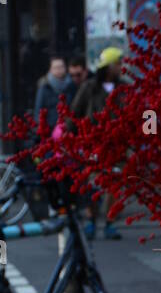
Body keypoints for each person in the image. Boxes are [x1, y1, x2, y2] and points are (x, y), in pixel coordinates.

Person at [71, 46, 124, 239]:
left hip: (117, 146)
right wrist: (69, 138)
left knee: (115, 185)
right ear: (108, 67)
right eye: (118, 63)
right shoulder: (89, 88)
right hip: (93, 144)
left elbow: (142, 113)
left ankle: (110, 222)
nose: (120, 67)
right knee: (92, 184)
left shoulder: (124, 88)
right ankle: (91, 219)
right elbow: (75, 113)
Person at [33, 54, 76, 132]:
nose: (59, 70)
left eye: (61, 67)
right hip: (50, 129)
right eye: (56, 67)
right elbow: (39, 111)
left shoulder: (72, 85)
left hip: (69, 129)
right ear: (51, 69)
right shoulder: (44, 87)